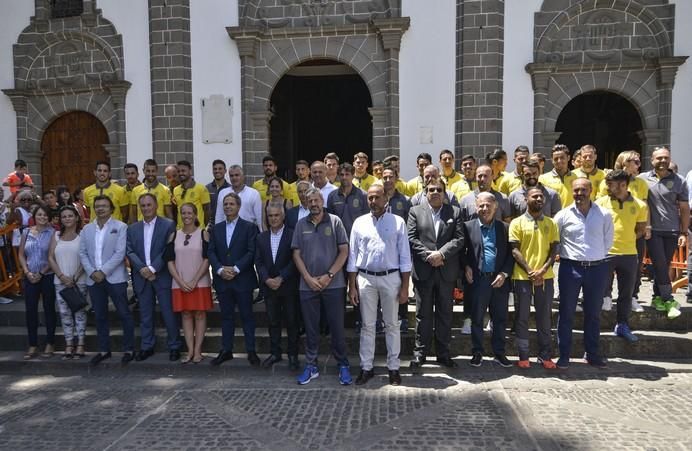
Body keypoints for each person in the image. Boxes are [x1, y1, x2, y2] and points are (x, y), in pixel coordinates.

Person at [348, 184, 411, 386]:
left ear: (386, 199)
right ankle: (366, 367)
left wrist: (404, 287)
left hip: (390, 278)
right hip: (365, 278)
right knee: (367, 326)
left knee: (392, 324)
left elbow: (405, 257)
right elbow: (352, 256)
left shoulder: (398, 222)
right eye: (370, 198)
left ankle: (394, 368)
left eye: (377, 197)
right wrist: (352, 285)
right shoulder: (359, 223)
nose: (373, 201)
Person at [291, 187, 352, 385]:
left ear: (322, 200)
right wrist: (307, 278)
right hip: (307, 286)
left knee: (337, 328)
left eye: (317, 200)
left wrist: (329, 275)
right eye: (310, 201)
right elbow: (296, 254)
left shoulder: (335, 221)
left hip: (334, 285)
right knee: (311, 329)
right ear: (306, 204)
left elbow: (344, 251)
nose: (314, 204)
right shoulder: (301, 224)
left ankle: (343, 365)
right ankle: (311, 366)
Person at [554, 178, 613, 369]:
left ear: (591, 191)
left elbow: (608, 242)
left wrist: (594, 257)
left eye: (583, 190)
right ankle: (564, 355)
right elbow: (557, 240)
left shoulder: (604, 214)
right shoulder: (563, 215)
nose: (579, 194)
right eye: (576, 190)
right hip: (570, 268)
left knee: (593, 313)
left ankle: (592, 354)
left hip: (597, 268)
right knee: (566, 312)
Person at [408, 177, 464, 368]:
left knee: (445, 314)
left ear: (444, 193)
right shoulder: (415, 211)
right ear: (425, 192)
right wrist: (428, 255)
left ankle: (443, 353)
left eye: (439, 190)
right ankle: (420, 353)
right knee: (423, 314)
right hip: (424, 271)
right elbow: (412, 237)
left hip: (445, 271)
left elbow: (459, 239)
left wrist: (441, 254)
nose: (435, 193)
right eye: (431, 189)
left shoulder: (455, 212)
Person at [79, 195, 135, 366]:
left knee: (124, 314)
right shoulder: (87, 229)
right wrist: (92, 272)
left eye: (104, 206)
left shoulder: (121, 227)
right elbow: (83, 253)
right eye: (97, 206)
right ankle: (104, 350)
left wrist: (103, 271)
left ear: (111, 208)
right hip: (93, 279)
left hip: (115, 278)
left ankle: (129, 349)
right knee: (100, 316)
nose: (100, 208)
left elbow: (120, 253)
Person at [126, 193, 181, 361]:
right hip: (141, 276)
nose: (146, 208)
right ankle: (147, 346)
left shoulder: (168, 225)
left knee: (168, 313)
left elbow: (167, 249)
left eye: (149, 205)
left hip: (162, 274)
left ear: (156, 205)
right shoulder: (132, 228)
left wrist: (152, 268)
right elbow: (129, 250)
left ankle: (174, 346)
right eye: (142, 205)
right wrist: (142, 268)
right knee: (145, 314)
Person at [509, 187, 559, 369]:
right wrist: (530, 271)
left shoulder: (552, 223)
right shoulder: (517, 223)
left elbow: (554, 250)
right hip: (522, 277)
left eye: (541, 196)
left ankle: (545, 355)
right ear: (526, 199)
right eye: (534, 196)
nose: (538, 198)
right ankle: (523, 356)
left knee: (544, 317)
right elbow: (514, 249)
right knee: (522, 317)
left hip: (545, 278)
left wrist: (543, 271)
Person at [208, 192, 260, 366]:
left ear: (238, 206)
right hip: (223, 280)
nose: (228, 206)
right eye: (225, 204)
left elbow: (252, 251)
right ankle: (226, 350)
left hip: (242, 279)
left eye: (231, 204)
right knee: (226, 317)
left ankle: (251, 351)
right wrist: (220, 269)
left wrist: (236, 268)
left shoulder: (249, 227)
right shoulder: (216, 228)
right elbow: (211, 252)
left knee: (247, 316)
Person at [462, 193, 514, 368]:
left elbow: (511, 255)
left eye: (488, 205)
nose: (484, 209)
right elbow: (462, 251)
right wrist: (466, 266)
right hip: (479, 280)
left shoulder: (505, 228)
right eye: (481, 206)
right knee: (477, 318)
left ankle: (499, 352)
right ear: (476, 207)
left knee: (500, 318)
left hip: (499, 280)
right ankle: (477, 351)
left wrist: (505, 274)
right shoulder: (467, 227)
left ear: (495, 206)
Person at [595, 170, 648, 341]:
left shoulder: (640, 205)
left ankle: (622, 325)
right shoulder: (600, 203)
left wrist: (626, 239)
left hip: (629, 255)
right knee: (599, 291)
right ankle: (594, 327)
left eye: (611, 185)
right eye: (608, 184)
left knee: (626, 293)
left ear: (624, 185)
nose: (608, 187)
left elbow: (640, 230)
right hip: (605, 254)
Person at [640, 146, 689, 318]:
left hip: (673, 230)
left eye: (665, 158)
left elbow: (684, 208)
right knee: (660, 264)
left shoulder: (679, 180)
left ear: (669, 160)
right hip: (652, 230)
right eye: (659, 158)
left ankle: (656, 297)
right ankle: (668, 299)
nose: (662, 161)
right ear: (652, 160)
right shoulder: (642, 179)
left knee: (663, 264)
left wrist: (684, 232)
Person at [166, 202, 213, 363]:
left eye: (189, 213)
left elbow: (207, 259)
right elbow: (169, 261)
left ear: (195, 215)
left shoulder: (203, 234)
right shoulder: (174, 235)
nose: (186, 216)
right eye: (183, 213)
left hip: (200, 282)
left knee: (200, 314)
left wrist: (194, 279)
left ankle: (198, 350)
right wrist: (179, 281)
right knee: (185, 314)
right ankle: (190, 350)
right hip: (179, 282)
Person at [254, 204, 299, 370]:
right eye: (270, 216)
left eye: (276, 215)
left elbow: (295, 260)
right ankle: (275, 353)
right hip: (269, 287)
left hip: (287, 286)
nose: (273, 218)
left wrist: (281, 277)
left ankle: (293, 355)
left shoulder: (292, 235)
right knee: (273, 322)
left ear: (283, 216)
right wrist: (266, 279)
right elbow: (258, 261)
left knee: (292, 322)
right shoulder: (261, 237)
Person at [48, 205, 88, 360]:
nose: (67, 219)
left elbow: (86, 257)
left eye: (70, 216)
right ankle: (69, 344)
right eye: (64, 216)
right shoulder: (56, 235)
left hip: (79, 281)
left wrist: (75, 277)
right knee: (65, 314)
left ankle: (81, 344)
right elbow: (50, 257)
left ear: (77, 217)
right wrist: (62, 276)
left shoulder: (82, 235)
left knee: (79, 313)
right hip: (60, 281)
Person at [18, 205, 56, 359]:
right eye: (39, 215)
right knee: (31, 310)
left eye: (45, 215)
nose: (42, 217)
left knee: (49, 309)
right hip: (30, 276)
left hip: (47, 275)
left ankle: (50, 342)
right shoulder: (26, 232)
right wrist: (27, 272)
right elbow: (21, 254)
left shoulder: (53, 233)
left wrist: (41, 272)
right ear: (35, 216)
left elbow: (52, 257)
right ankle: (32, 344)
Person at [215, 165, 263, 230]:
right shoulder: (223, 193)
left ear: (243, 177)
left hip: (248, 232)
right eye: (231, 176)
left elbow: (259, 218)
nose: (234, 178)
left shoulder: (254, 193)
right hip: (227, 231)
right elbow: (219, 216)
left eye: (237, 175)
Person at [327, 163, 368, 237]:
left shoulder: (363, 195)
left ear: (353, 176)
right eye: (341, 175)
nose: (344, 177)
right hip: (338, 239)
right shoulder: (332, 196)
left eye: (347, 174)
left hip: (358, 237)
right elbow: (330, 221)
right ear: (338, 176)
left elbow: (367, 219)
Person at [173, 160, 211, 229]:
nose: (181, 173)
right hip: (181, 230)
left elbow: (207, 211)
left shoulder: (201, 188)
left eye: (183, 171)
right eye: (178, 171)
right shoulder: (176, 190)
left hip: (197, 230)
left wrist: (202, 226)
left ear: (190, 171)